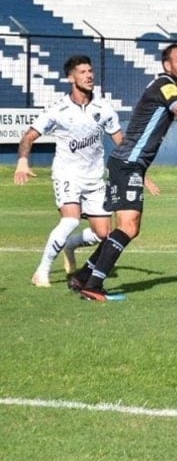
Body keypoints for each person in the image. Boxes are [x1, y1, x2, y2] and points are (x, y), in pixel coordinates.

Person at [67, 43, 177, 301]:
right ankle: (94, 285)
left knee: (127, 228)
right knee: (128, 228)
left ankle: (84, 276)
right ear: (168, 65)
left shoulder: (171, 89)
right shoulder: (166, 86)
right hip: (128, 164)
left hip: (128, 163)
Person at [14, 55, 122, 288]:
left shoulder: (103, 108)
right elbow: (29, 136)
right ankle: (41, 272)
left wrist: (134, 168)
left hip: (95, 178)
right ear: (71, 78)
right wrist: (23, 161)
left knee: (104, 234)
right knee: (70, 220)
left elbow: (120, 141)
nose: (89, 75)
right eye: (82, 72)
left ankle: (70, 245)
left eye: (90, 71)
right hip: (67, 175)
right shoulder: (58, 109)